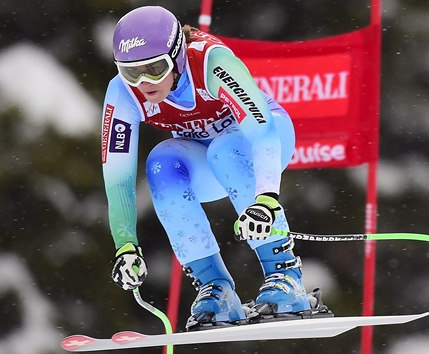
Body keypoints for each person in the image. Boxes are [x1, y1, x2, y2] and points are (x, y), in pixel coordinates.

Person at [102, 5, 313, 330]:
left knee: (225, 151)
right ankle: (216, 287)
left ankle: (285, 274)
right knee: (161, 164)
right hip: (205, 156)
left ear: (177, 55)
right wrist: (126, 245)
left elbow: (262, 129)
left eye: (155, 68)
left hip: (262, 141)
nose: (144, 82)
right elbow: (118, 178)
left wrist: (267, 198)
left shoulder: (210, 62)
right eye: (132, 72)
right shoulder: (122, 93)